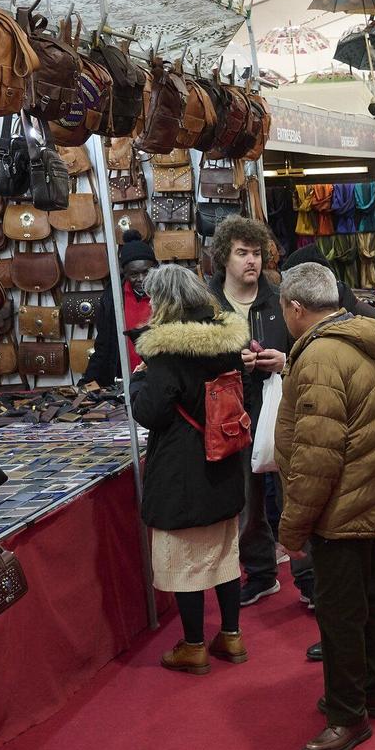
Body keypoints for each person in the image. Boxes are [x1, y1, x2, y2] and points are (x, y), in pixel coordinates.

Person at [275, 262, 375, 750]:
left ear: (295, 308)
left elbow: (316, 455)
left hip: (338, 505)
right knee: (366, 600)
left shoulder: (321, 355)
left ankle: (348, 715)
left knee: (340, 613)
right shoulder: (358, 338)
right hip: (365, 493)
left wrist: (293, 527)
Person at [129, 265, 250, 676]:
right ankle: (231, 635)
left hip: (183, 472)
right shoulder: (228, 340)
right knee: (225, 554)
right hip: (224, 461)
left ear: (163, 301)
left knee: (183, 562)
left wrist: (137, 383)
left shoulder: (167, 351)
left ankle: (194, 646)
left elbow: (152, 412)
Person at [208, 216, 289, 607]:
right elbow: (195, 360)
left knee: (295, 494)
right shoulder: (207, 304)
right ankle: (260, 573)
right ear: (225, 256)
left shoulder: (279, 296)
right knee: (246, 499)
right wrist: (229, 361)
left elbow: (306, 344)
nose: (251, 260)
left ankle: (309, 578)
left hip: (280, 406)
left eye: (256, 253)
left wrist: (284, 361)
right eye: (242, 253)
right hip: (229, 414)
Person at [81, 235, 157, 387]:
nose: (141, 279)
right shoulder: (113, 298)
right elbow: (104, 344)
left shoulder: (168, 296)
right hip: (125, 379)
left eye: (146, 272)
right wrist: (87, 383)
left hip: (160, 377)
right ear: (125, 273)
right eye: (134, 274)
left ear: (155, 268)